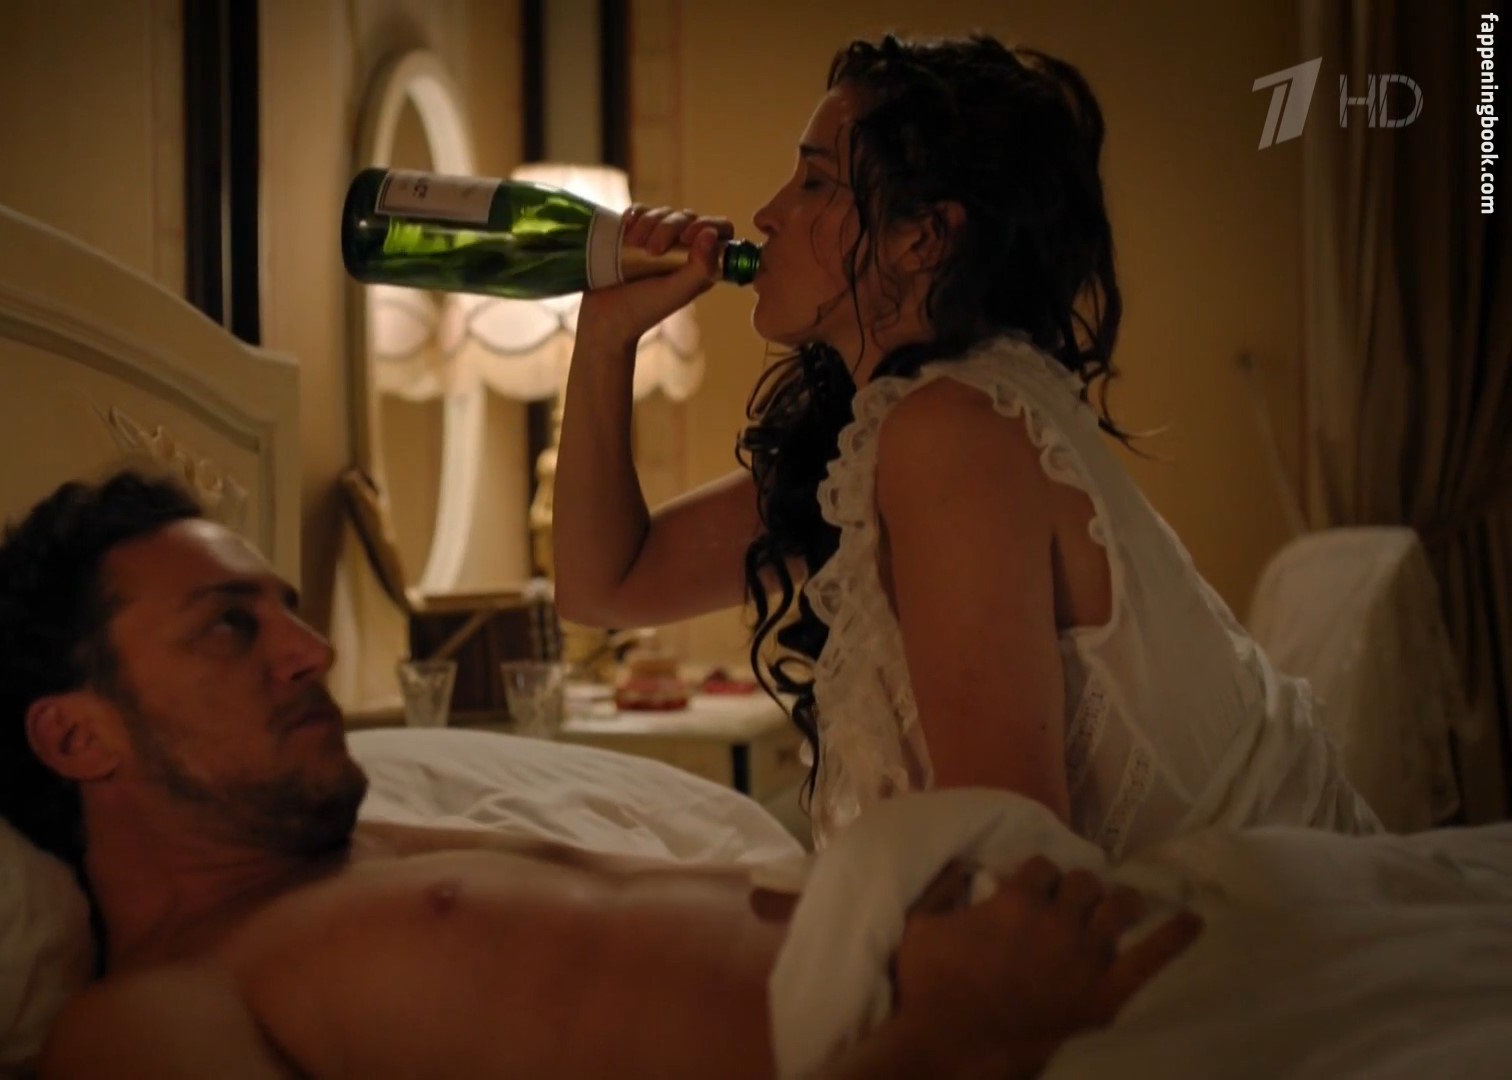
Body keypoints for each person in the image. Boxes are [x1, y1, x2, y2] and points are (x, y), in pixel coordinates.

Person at [0, 470, 1200, 1078]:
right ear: (76, 738)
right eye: (230, 627)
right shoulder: (149, 1018)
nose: (310, 649)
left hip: (1018, 962)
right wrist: (954, 1039)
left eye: (286, 609)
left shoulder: (346, 867)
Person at [551, 32, 1380, 855]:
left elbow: (1013, 851)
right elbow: (604, 588)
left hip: (1253, 909)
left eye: (815, 182)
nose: (768, 213)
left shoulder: (953, 430)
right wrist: (606, 337)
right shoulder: (891, 422)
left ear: (922, 238)